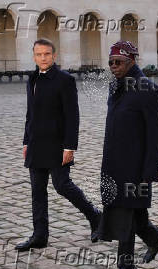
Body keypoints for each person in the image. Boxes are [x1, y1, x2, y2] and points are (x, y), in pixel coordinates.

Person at [16, 38, 101, 251]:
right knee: (37, 190)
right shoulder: (32, 78)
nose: (43, 58)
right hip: (36, 143)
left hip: (57, 144)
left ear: (54, 56)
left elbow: (73, 116)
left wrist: (70, 147)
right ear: (34, 56)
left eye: (46, 54)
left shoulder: (65, 80)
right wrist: (26, 140)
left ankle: (95, 217)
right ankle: (39, 235)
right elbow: (30, 114)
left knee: (62, 185)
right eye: (38, 54)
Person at [97, 41, 158, 269]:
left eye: (118, 62)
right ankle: (154, 237)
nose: (114, 67)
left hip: (135, 167)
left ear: (132, 61)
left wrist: (150, 170)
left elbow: (157, 132)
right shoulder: (115, 85)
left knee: (124, 215)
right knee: (132, 212)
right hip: (115, 162)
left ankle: (126, 267)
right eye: (111, 63)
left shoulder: (146, 88)